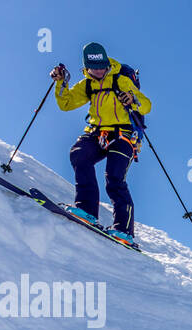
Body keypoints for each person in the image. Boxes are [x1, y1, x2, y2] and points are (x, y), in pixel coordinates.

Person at [50, 42, 151, 245]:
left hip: (123, 134)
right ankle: (87, 211)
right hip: (97, 133)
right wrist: (61, 82)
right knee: (79, 154)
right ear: (86, 67)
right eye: (94, 67)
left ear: (106, 63)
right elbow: (66, 103)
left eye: (102, 66)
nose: (99, 71)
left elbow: (146, 105)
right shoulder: (87, 84)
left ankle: (124, 231)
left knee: (114, 177)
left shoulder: (121, 80)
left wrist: (132, 99)